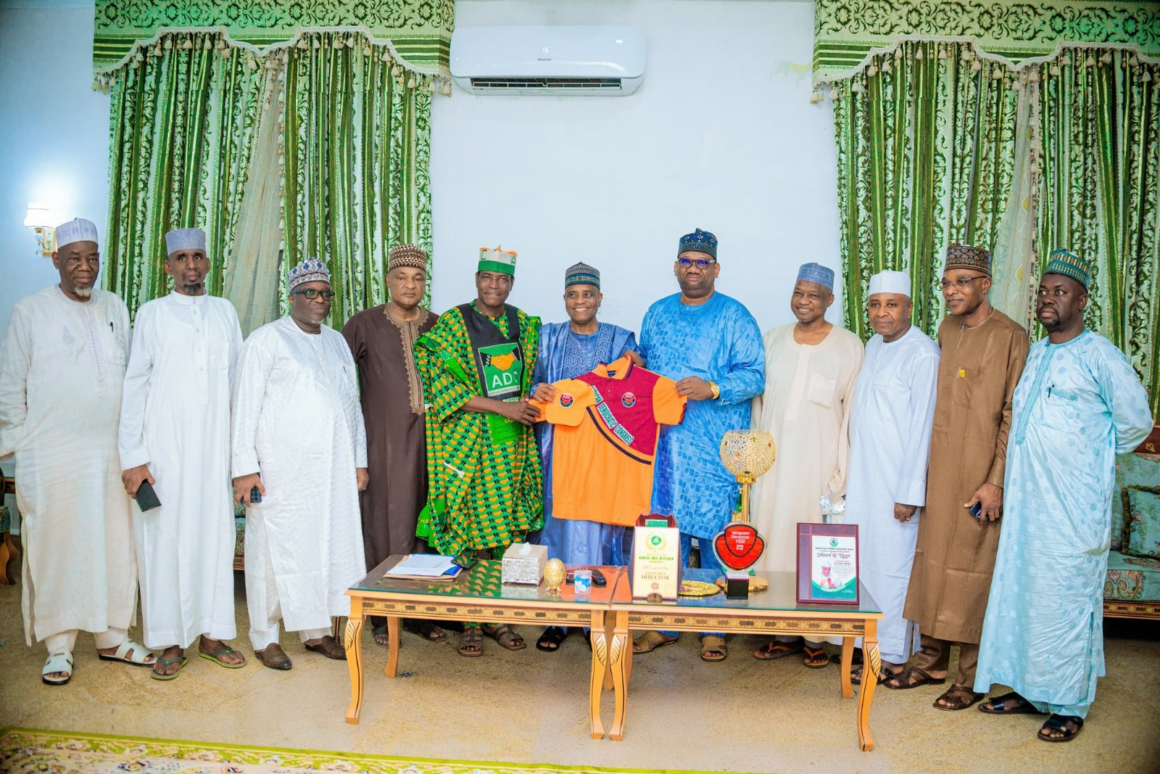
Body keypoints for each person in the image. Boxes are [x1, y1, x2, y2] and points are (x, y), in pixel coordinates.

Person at [974, 250, 1152, 743]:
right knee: (1029, 595)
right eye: (1044, 291)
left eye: (1060, 292)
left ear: (1082, 300)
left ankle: (1069, 703)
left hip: (1074, 508)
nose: (1048, 299)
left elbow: (1135, 422)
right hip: (1031, 507)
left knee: (1068, 599)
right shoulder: (1038, 353)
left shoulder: (1100, 354)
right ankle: (1033, 690)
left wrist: (1085, 460)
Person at [0, 218, 154, 685]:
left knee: (114, 543)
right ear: (56, 261)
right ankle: (59, 647)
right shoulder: (30, 311)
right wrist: (22, 441)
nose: (85, 268)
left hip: (109, 453)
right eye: (74, 259)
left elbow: (129, 377)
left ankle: (110, 637)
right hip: (52, 455)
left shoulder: (114, 305)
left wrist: (134, 448)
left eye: (92, 258)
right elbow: (10, 385)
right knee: (56, 547)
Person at [892, 244, 1028, 708]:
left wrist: (996, 481)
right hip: (940, 468)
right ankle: (931, 663)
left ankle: (969, 679)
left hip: (980, 476)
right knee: (932, 563)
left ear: (985, 285)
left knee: (974, 572)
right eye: (947, 283)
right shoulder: (946, 330)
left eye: (962, 282)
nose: (951, 291)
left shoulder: (1012, 336)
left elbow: (1013, 415)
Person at [118, 227, 246, 680]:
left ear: (209, 263)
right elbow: (134, 386)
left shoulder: (225, 312)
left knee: (214, 540)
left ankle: (212, 636)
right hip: (165, 455)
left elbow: (237, 389)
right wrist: (133, 458)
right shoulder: (151, 314)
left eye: (198, 256)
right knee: (164, 545)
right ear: (167, 266)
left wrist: (241, 459)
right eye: (181, 258)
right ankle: (170, 642)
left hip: (214, 454)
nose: (191, 265)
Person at [631, 229, 764, 663]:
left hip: (713, 447)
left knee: (713, 534)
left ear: (716, 269)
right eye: (686, 261)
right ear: (675, 267)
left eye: (701, 262)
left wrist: (712, 387)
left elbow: (755, 376)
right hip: (666, 447)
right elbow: (646, 364)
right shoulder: (657, 313)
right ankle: (664, 623)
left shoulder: (734, 316)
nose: (693, 268)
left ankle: (712, 627)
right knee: (665, 532)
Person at [231, 257, 368, 670]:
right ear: (291, 297)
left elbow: (353, 406)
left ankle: (315, 631)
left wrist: (359, 462)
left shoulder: (336, 341)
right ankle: (264, 637)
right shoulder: (266, 340)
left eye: (325, 293)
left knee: (322, 547)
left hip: (330, 473)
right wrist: (243, 468)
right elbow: (243, 407)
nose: (319, 300)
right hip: (280, 472)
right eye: (310, 293)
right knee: (272, 554)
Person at [415, 246, 543, 657]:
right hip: (466, 443)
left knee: (504, 533)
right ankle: (470, 622)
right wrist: (501, 406)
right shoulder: (454, 322)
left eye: (503, 279)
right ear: (476, 279)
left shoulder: (523, 324)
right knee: (469, 530)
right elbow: (441, 385)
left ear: (511, 284)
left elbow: (531, 380)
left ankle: (499, 617)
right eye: (487, 278)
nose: (494, 286)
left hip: (510, 444)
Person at [750, 262, 863, 669]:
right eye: (798, 293)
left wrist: (841, 474)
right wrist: (755, 461)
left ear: (830, 300)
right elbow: (758, 406)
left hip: (819, 466)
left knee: (813, 546)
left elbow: (850, 416)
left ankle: (815, 636)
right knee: (774, 540)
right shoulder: (773, 340)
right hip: (774, 465)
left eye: (813, 295)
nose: (803, 301)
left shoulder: (850, 347)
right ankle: (779, 631)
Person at [529, 262, 640, 652]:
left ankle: (601, 615)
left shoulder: (620, 339)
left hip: (606, 453)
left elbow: (636, 384)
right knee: (559, 528)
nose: (581, 301)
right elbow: (529, 382)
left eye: (588, 294)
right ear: (564, 300)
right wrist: (538, 389)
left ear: (600, 299)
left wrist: (630, 368)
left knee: (601, 528)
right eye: (573, 295)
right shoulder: (546, 338)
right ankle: (559, 619)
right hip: (557, 451)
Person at [342, 244, 447, 649]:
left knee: (427, 521)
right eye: (401, 277)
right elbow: (336, 378)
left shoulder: (438, 325)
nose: (410, 285)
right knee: (387, 523)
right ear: (387, 280)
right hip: (382, 443)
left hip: (435, 442)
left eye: (417, 278)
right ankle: (383, 613)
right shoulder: (363, 324)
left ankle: (419, 612)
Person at [843, 270, 939, 685]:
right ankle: (868, 646)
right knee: (866, 562)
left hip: (896, 484)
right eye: (875, 304)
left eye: (891, 305)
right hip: (864, 478)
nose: (882, 313)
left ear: (910, 308)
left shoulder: (924, 354)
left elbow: (923, 429)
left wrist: (909, 493)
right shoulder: (873, 346)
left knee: (894, 567)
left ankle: (895, 655)